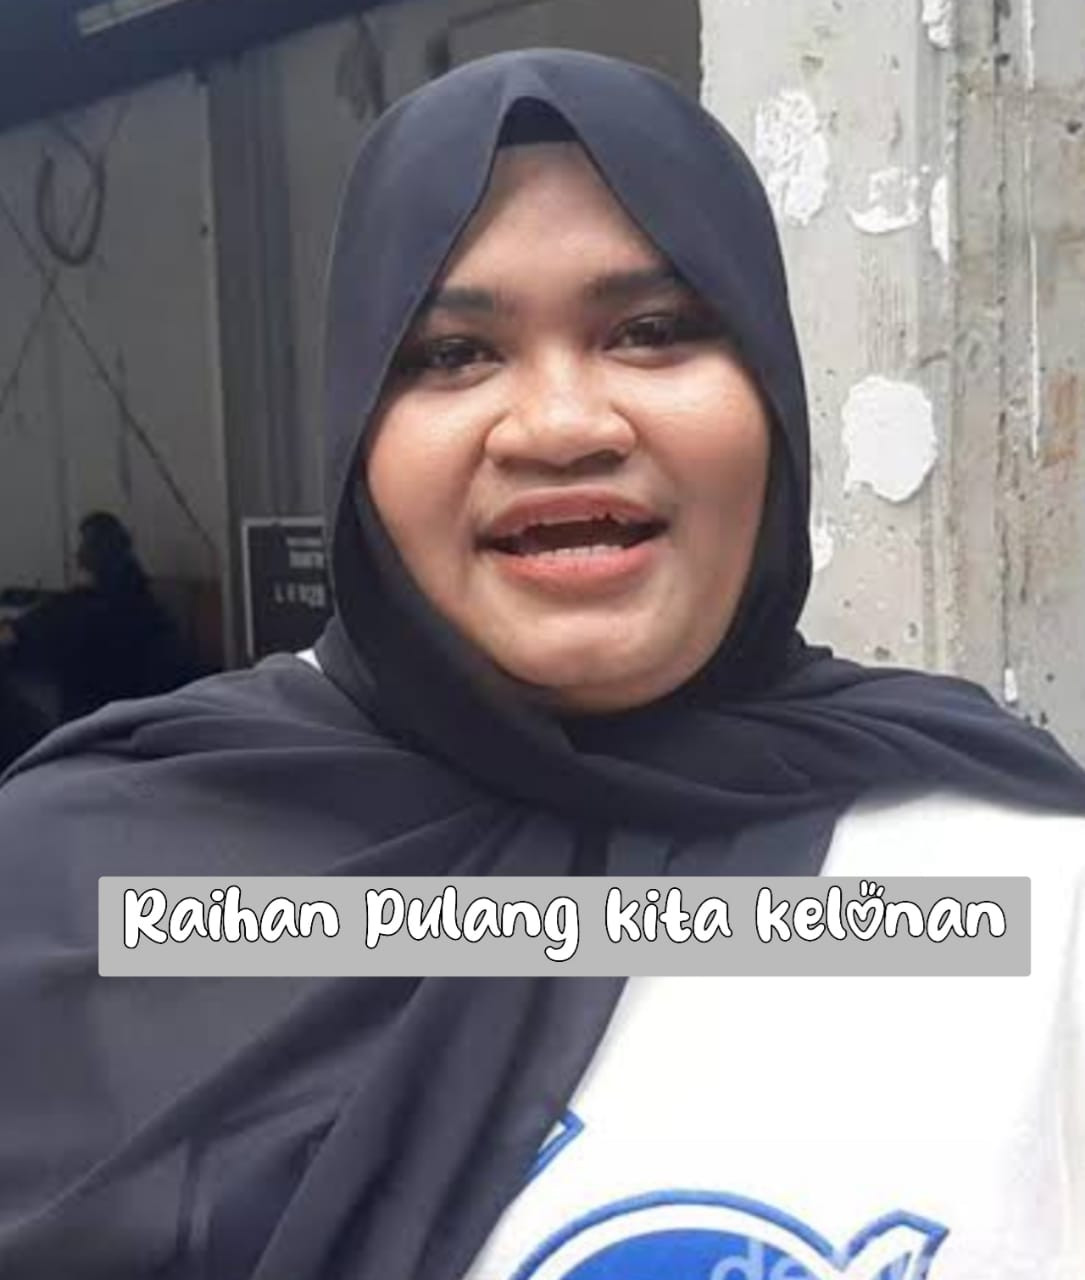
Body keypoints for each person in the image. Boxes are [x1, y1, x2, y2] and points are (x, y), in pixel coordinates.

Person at [0, 49, 1082, 1279]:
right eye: (452, 353)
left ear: (772, 392)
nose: (562, 425)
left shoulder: (1014, 885)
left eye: (652, 331)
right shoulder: (78, 891)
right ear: (356, 431)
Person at [0, 511, 182, 733]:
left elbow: (12, 636)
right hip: (145, 725)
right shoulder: (149, 607)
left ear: (83, 559)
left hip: (86, 729)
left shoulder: (72, 608)